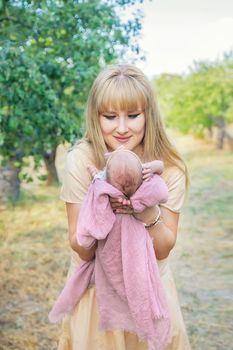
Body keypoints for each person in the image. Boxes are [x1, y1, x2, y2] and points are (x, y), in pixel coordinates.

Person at [57, 64, 191, 350]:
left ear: (148, 115)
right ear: (96, 116)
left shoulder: (169, 168)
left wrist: (146, 212)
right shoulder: (82, 161)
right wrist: (102, 207)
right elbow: (80, 246)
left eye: (133, 115)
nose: (121, 128)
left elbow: (164, 248)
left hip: (151, 293)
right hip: (97, 296)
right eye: (109, 116)